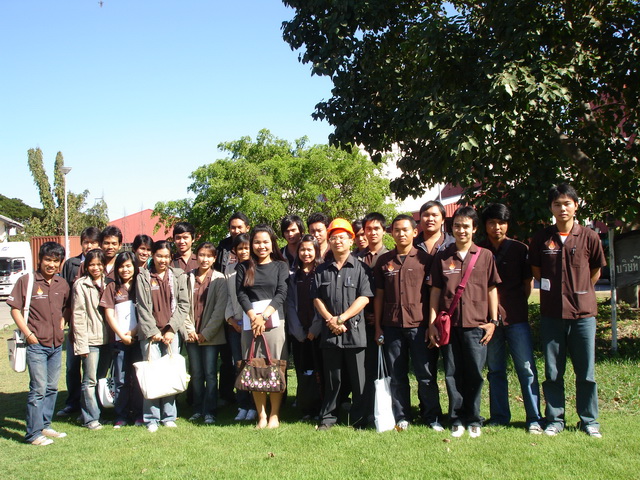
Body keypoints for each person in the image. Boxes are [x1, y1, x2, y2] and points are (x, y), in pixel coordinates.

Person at [529, 183, 606, 438]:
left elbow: (595, 271)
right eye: (557, 204)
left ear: (576, 205)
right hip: (552, 314)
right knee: (553, 372)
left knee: (586, 372)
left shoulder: (589, 236)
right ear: (551, 208)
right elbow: (537, 272)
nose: (562, 208)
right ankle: (555, 419)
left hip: (583, 315)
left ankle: (589, 420)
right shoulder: (542, 238)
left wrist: (579, 291)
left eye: (567, 203)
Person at [428, 206, 500, 438]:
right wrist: (432, 323)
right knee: (452, 373)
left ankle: (474, 418)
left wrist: (493, 321)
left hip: (476, 325)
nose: (461, 230)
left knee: (475, 373)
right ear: (452, 229)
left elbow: (491, 289)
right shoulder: (442, 256)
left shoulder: (485, 256)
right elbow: (435, 292)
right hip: (450, 326)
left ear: (474, 229)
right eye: (457, 226)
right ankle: (457, 418)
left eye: (466, 226)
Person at [374, 215, 443, 431]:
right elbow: (379, 296)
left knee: (426, 375)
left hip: (420, 326)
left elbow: (433, 294)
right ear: (391, 233)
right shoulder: (384, 261)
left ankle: (432, 416)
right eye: (397, 230)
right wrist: (378, 326)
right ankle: (402, 416)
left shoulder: (426, 260)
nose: (401, 234)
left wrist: (432, 325)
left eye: (405, 230)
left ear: (414, 232)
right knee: (397, 375)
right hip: (392, 326)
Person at [479, 203, 543, 433]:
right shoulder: (479, 251)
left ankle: (534, 418)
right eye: (492, 223)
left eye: (502, 223)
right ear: (485, 225)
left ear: (508, 225)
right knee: (495, 370)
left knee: (526, 368)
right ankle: (499, 416)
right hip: (489, 321)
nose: (497, 227)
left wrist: (515, 305)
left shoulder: (519, 249)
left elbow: (527, 284)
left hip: (516, 318)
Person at [312, 218, 373, 430]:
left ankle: (360, 418)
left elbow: (364, 298)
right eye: (334, 238)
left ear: (351, 240)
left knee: (359, 379)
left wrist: (342, 318)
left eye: (342, 237)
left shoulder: (361, 268)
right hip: (330, 333)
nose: (338, 241)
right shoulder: (321, 270)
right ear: (329, 242)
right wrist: (331, 319)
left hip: (354, 332)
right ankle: (328, 417)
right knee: (332, 379)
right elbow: (316, 298)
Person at [8, 241, 70, 445]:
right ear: (40, 260)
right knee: (38, 388)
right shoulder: (27, 281)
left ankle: (45, 425)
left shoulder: (62, 284)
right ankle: (33, 434)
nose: (51, 264)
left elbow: (67, 307)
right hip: (36, 344)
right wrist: (28, 334)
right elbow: (15, 309)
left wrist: (62, 322)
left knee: (51, 387)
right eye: (48, 260)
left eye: (56, 261)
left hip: (56, 344)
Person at [236, 225, 289, 429]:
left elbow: (282, 292)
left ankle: (274, 414)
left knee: (274, 366)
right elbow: (241, 294)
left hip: (274, 322)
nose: (261, 246)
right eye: (257, 242)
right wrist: (253, 316)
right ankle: (261, 415)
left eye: (265, 242)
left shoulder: (280, 266)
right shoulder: (244, 267)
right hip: (250, 323)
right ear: (251, 244)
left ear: (272, 243)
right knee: (254, 366)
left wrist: (264, 316)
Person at [136, 240, 189, 432]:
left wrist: (170, 329)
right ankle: (151, 418)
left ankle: (169, 416)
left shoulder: (178, 276)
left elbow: (183, 305)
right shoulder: (143, 276)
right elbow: (142, 307)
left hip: (170, 334)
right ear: (153, 256)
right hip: (150, 334)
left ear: (171, 257)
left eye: (166, 256)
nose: (163, 260)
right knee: (152, 375)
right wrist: (153, 331)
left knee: (169, 375)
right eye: (159, 256)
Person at [57, 226, 100, 418]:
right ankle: (72, 402)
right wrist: (64, 320)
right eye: (86, 242)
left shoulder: (101, 264)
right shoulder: (71, 264)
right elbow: (65, 296)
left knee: (93, 370)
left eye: (93, 243)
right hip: (75, 324)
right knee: (72, 366)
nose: (89, 246)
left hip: (96, 327)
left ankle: (95, 404)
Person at [184, 242, 228, 425]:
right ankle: (197, 409)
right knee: (196, 373)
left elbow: (220, 310)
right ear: (196, 256)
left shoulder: (219, 279)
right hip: (191, 335)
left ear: (214, 258)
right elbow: (182, 305)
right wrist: (189, 329)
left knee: (210, 373)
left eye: (209, 256)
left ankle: (210, 411)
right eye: (201, 255)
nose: (205, 259)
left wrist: (206, 333)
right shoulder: (187, 278)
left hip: (211, 336)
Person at [101, 251, 143, 428]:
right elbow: (109, 315)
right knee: (121, 379)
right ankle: (121, 415)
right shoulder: (112, 287)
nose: (125, 270)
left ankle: (139, 414)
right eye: (121, 266)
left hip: (139, 339)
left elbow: (146, 313)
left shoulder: (141, 285)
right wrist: (122, 335)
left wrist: (132, 333)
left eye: (128, 266)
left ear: (134, 267)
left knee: (138, 378)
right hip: (119, 341)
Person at [72, 249, 112, 430]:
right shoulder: (81, 285)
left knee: (101, 378)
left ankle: (95, 413)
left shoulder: (109, 283)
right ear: (86, 266)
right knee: (89, 381)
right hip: (90, 340)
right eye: (92, 265)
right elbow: (78, 316)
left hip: (107, 340)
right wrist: (81, 345)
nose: (96, 268)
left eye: (99, 264)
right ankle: (90, 418)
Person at [286, 234, 323, 419]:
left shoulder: (322, 272)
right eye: (302, 249)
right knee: (303, 370)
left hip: (318, 332)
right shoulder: (293, 276)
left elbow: (323, 302)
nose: (306, 253)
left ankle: (320, 407)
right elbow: (290, 304)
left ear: (316, 250)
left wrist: (314, 329)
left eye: (310, 249)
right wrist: (299, 332)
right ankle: (306, 407)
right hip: (299, 334)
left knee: (320, 370)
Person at [224, 233, 257, 421]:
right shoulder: (229, 270)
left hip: (254, 323)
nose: (244, 251)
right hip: (235, 324)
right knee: (239, 365)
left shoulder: (257, 267)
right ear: (234, 251)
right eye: (240, 248)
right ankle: (243, 404)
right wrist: (231, 319)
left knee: (253, 364)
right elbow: (228, 297)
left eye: (246, 248)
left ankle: (254, 404)